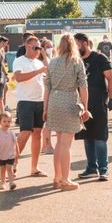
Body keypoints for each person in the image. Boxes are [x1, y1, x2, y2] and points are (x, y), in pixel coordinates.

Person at [43, 34, 89, 190]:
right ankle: (65, 179)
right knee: (66, 144)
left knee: (59, 143)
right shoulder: (77, 62)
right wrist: (85, 107)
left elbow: (47, 87)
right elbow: (83, 86)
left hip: (54, 102)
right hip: (69, 100)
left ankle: (57, 178)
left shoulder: (52, 62)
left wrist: (45, 108)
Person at [75, 33, 112, 181]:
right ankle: (91, 168)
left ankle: (103, 169)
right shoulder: (75, 60)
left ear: (85, 43)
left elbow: (110, 79)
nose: (76, 47)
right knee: (87, 137)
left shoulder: (100, 59)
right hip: (81, 104)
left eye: (77, 44)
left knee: (99, 137)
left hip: (98, 102)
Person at [12, 36, 48, 179]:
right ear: (27, 46)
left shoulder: (39, 63)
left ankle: (34, 168)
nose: (37, 50)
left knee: (37, 133)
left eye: (39, 48)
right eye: (35, 48)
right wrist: (38, 72)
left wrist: (44, 56)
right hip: (25, 101)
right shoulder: (19, 60)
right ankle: (12, 163)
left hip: (39, 101)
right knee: (25, 132)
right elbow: (19, 77)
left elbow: (50, 72)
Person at [0, 113, 19, 190]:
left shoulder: (12, 133)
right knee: (2, 169)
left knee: (9, 168)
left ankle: (11, 183)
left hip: (10, 155)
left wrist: (17, 152)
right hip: (0, 155)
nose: (7, 123)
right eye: (4, 121)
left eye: (9, 121)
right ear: (0, 122)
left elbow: (16, 143)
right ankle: (2, 183)